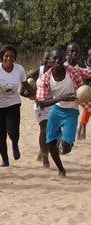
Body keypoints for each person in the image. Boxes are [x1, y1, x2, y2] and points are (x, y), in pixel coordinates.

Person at [36, 46, 91, 178]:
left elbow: (88, 73)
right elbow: (41, 102)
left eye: (60, 58)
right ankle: (61, 169)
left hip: (71, 112)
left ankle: (64, 141)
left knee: (66, 147)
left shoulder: (71, 71)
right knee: (50, 142)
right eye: (54, 59)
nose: (58, 61)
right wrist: (60, 98)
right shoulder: (45, 78)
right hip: (56, 110)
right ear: (48, 61)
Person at [0, 45, 35, 167]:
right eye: (6, 56)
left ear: (15, 58)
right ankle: (5, 161)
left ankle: (15, 144)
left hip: (13, 103)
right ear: (2, 57)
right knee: (0, 134)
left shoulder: (19, 69)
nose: (9, 58)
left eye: (11, 56)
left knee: (13, 132)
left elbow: (25, 84)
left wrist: (35, 95)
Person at [21, 50, 52, 168]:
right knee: (44, 130)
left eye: (51, 59)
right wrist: (31, 95)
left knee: (55, 132)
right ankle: (45, 158)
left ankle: (42, 150)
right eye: (46, 59)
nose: (49, 61)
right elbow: (22, 85)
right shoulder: (36, 72)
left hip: (55, 103)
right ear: (41, 60)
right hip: (41, 105)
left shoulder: (58, 71)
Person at [77, 46, 91, 140]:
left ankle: (83, 126)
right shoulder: (82, 64)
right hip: (83, 90)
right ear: (88, 54)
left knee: (88, 110)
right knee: (87, 110)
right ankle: (82, 127)